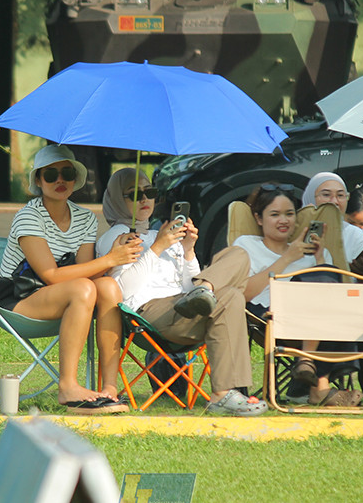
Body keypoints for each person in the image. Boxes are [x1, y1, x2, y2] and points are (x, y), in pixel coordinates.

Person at [96, 168, 267, 416]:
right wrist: (157, 248)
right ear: (115, 199)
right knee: (229, 295)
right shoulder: (115, 238)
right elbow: (122, 291)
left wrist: (187, 251)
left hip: (185, 307)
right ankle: (227, 391)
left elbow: (188, 288)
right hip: (147, 316)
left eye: (150, 192)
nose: (145, 199)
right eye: (134, 194)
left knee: (236, 268)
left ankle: (223, 394)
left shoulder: (162, 233)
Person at [0, 145, 136, 414]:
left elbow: (85, 268)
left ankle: (109, 388)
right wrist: (110, 260)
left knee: (106, 286)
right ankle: (67, 386)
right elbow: (51, 275)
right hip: (18, 299)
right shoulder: (29, 216)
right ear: (38, 180)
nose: (60, 180)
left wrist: (115, 247)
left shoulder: (84, 218)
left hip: (65, 295)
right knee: (84, 287)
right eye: (51, 175)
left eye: (67, 173)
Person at [233, 183, 362, 407]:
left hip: (320, 321)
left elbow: (335, 296)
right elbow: (243, 293)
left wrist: (320, 258)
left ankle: (308, 366)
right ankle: (318, 384)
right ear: (259, 218)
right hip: (270, 317)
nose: (283, 220)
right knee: (321, 283)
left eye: (289, 214)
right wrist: (287, 259)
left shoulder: (312, 252)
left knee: (327, 277)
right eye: (274, 214)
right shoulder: (246, 245)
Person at [301, 172, 363, 274]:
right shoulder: (297, 231)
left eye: (340, 195)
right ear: (310, 197)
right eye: (326, 195)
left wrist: (362, 274)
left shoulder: (354, 234)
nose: (334, 201)